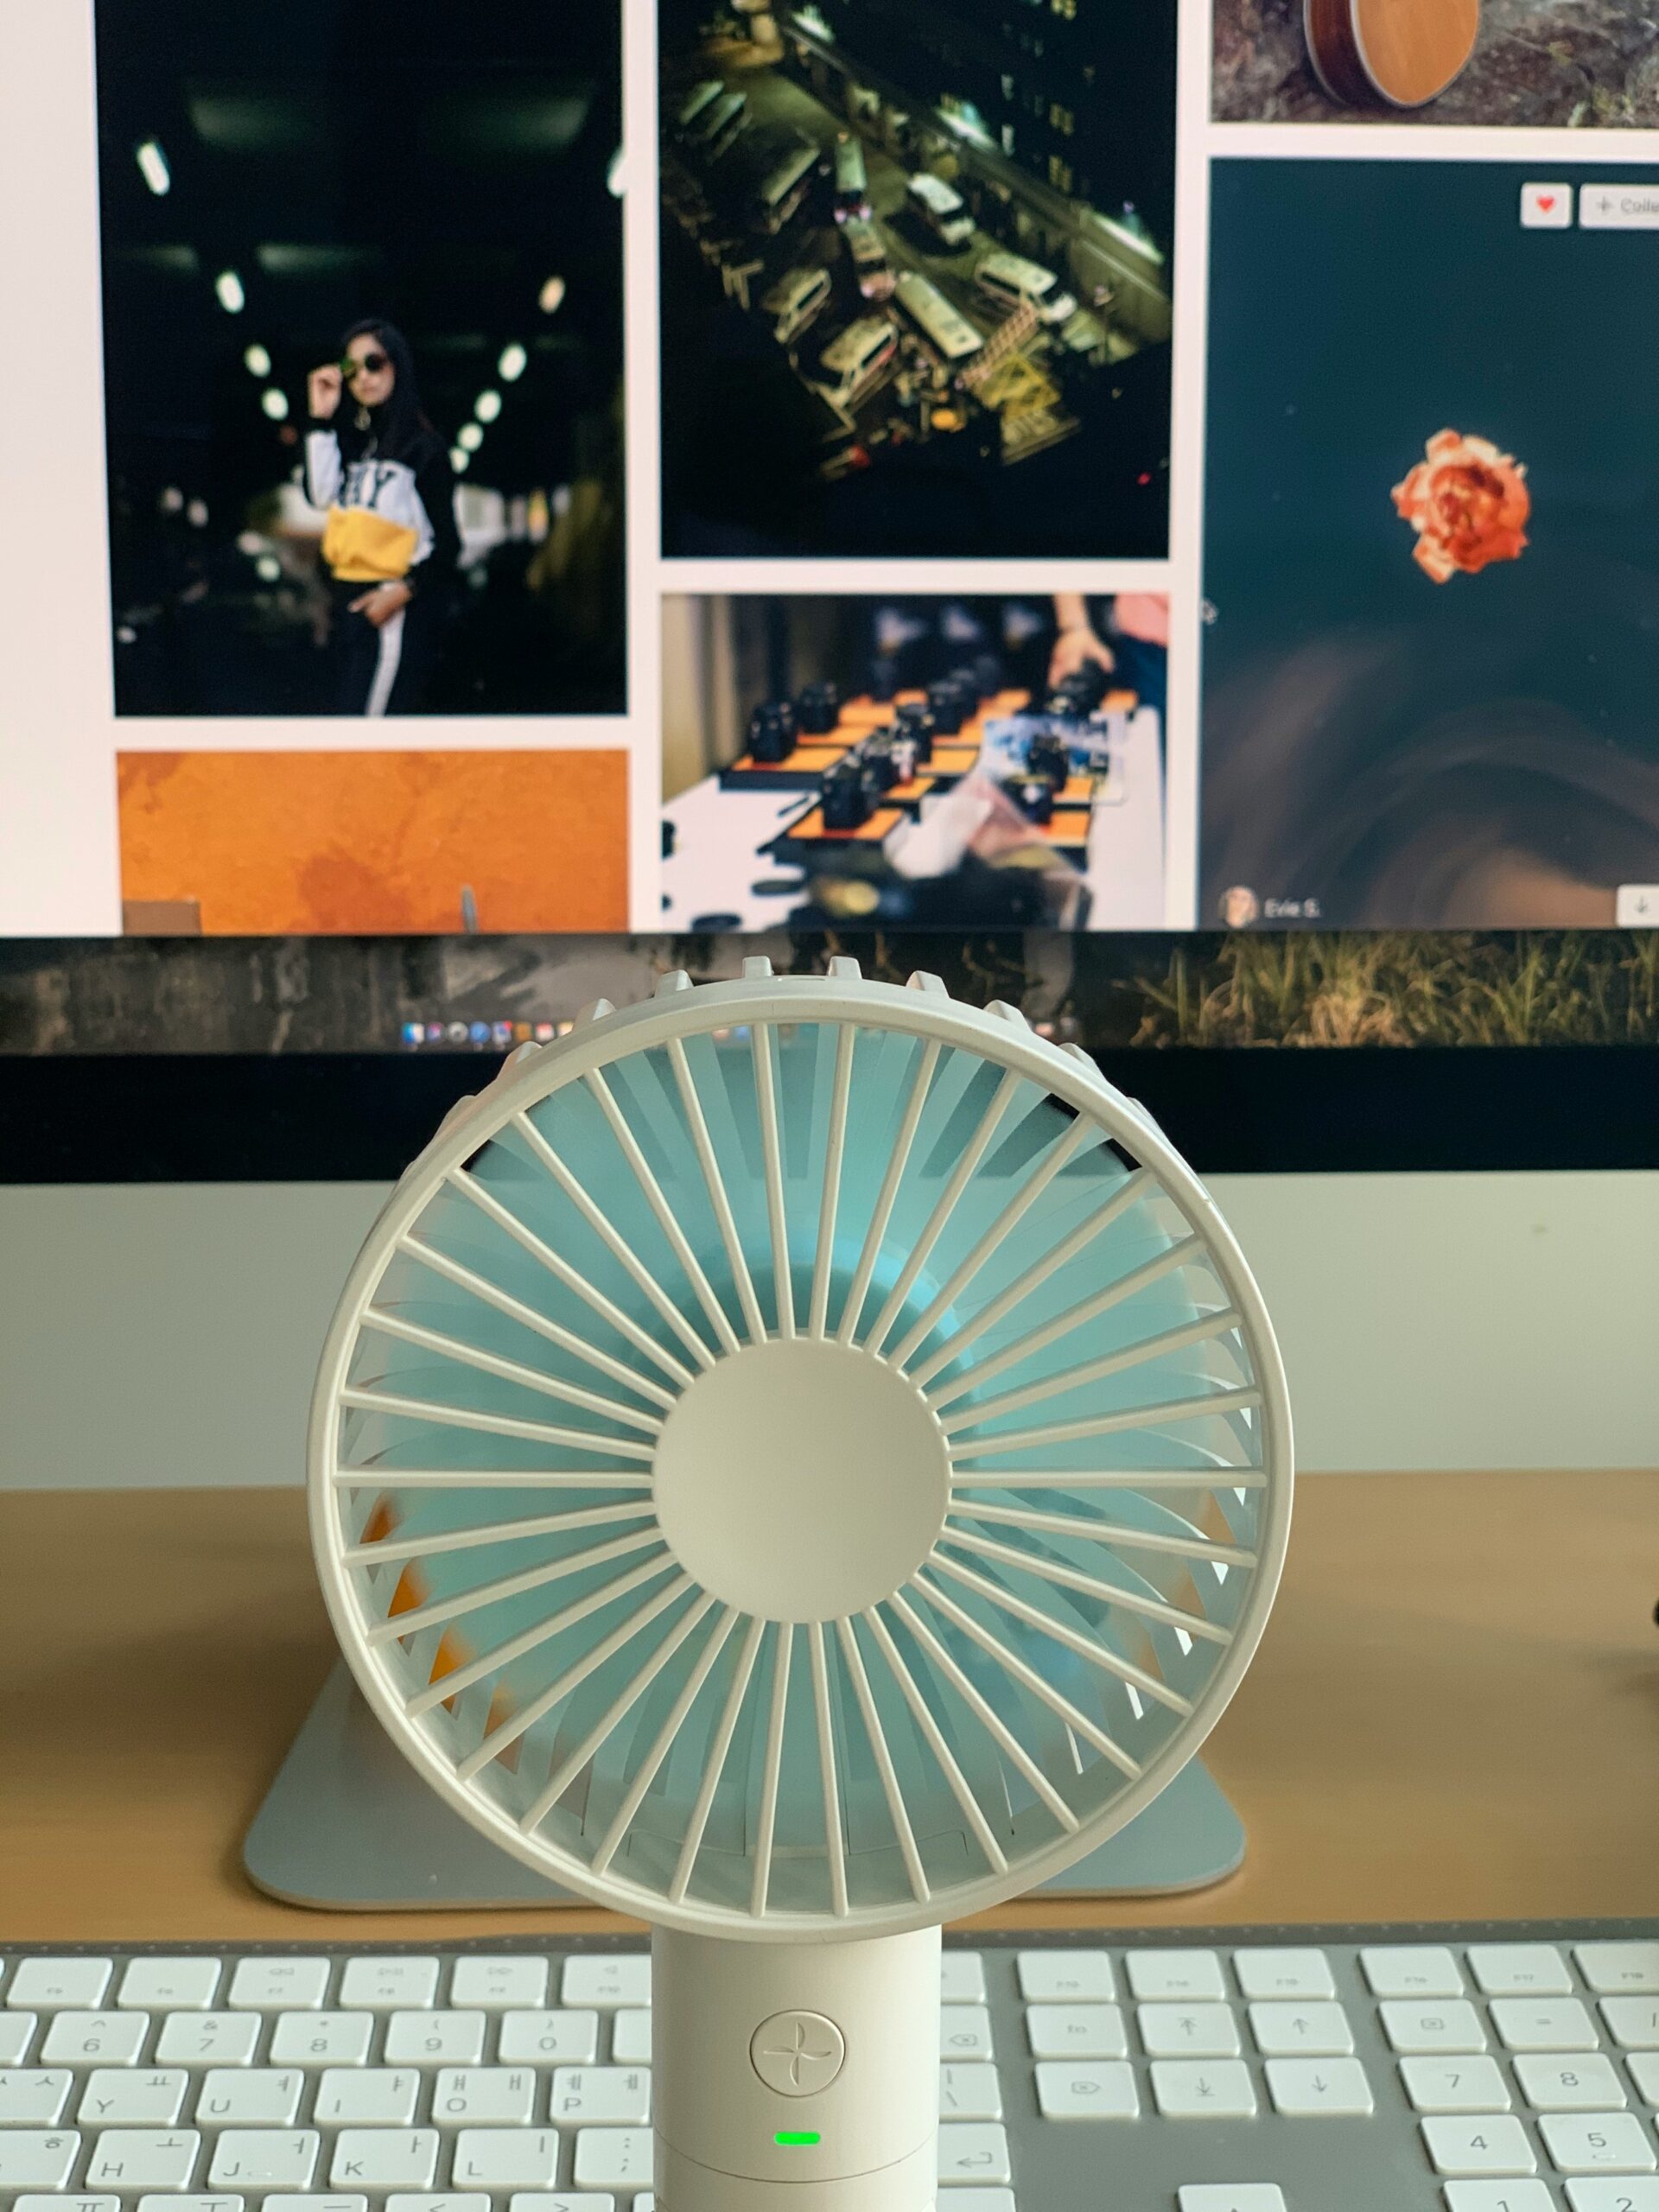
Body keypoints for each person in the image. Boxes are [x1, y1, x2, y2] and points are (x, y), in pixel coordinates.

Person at [305, 321, 460, 715]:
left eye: (374, 363)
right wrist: (321, 417)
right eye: (351, 368)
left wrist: (399, 593)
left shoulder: (423, 450)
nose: (364, 378)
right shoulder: (355, 444)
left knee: (371, 729)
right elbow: (320, 496)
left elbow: (448, 545)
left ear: (397, 365)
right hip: (347, 609)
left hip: (388, 611)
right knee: (349, 723)